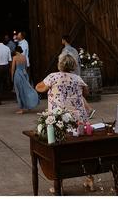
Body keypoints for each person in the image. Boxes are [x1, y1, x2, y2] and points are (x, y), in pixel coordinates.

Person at [35, 53, 95, 192]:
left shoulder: (53, 77)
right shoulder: (78, 78)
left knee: (60, 152)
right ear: (73, 65)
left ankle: (59, 185)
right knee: (83, 149)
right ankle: (89, 180)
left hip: (61, 119)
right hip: (79, 119)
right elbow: (86, 92)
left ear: (59, 64)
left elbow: (40, 88)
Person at [11, 45, 39, 113]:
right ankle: (29, 105)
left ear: (16, 51)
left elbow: (12, 68)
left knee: (19, 91)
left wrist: (12, 77)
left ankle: (21, 109)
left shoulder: (15, 57)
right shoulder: (24, 57)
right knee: (26, 89)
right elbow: (26, 67)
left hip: (18, 74)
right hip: (24, 74)